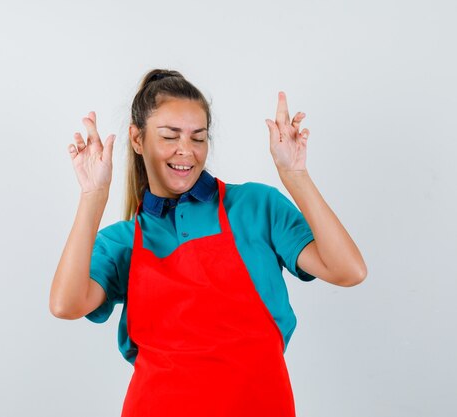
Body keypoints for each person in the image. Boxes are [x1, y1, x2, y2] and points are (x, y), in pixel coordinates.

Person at [49, 69, 367, 417]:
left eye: (198, 137)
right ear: (137, 139)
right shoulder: (123, 243)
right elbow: (66, 305)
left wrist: (296, 176)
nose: (186, 151)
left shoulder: (256, 206)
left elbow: (348, 270)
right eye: (170, 136)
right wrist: (93, 197)